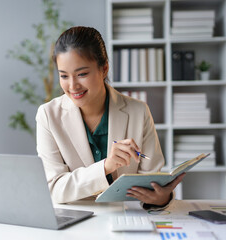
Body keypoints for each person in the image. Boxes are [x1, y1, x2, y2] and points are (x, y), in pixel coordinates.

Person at [35, 26, 185, 209]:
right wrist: (106, 166)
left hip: (126, 217)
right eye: (64, 76)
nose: (73, 86)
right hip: (75, 219)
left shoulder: (138, 111)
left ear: (104, 68)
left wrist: (161, 198)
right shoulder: (48, 115)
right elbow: (55, 189)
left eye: (82, 74)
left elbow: (151, 182)